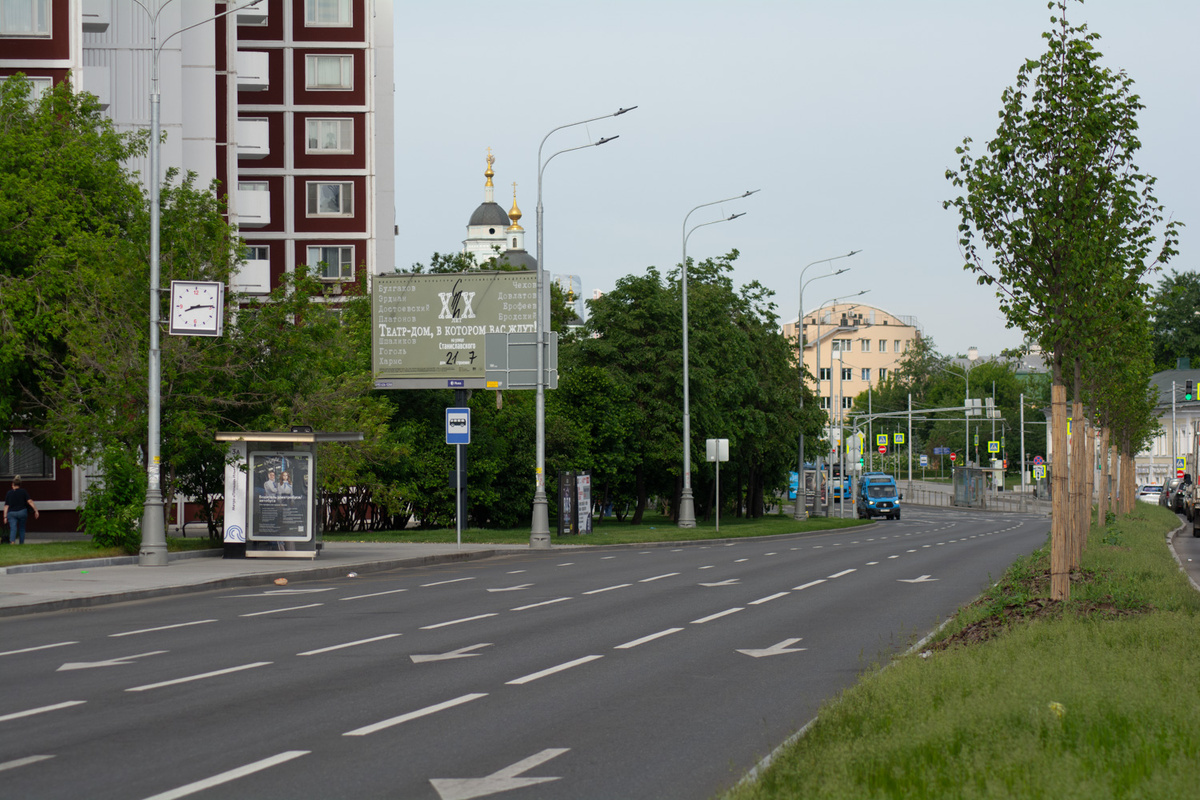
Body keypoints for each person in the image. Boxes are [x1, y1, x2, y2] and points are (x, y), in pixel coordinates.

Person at [4, 476, 39, 545]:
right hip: (22, 512)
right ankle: (21, 543)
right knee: (22, 528)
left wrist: (5, 517)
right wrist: (36, 510)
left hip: (11, 513)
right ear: (20, 485)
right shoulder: (23, 492)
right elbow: (30, 501)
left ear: (13, 484)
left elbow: (6, 506)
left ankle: (12, 542)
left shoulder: (9, 493)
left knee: (13, 528)